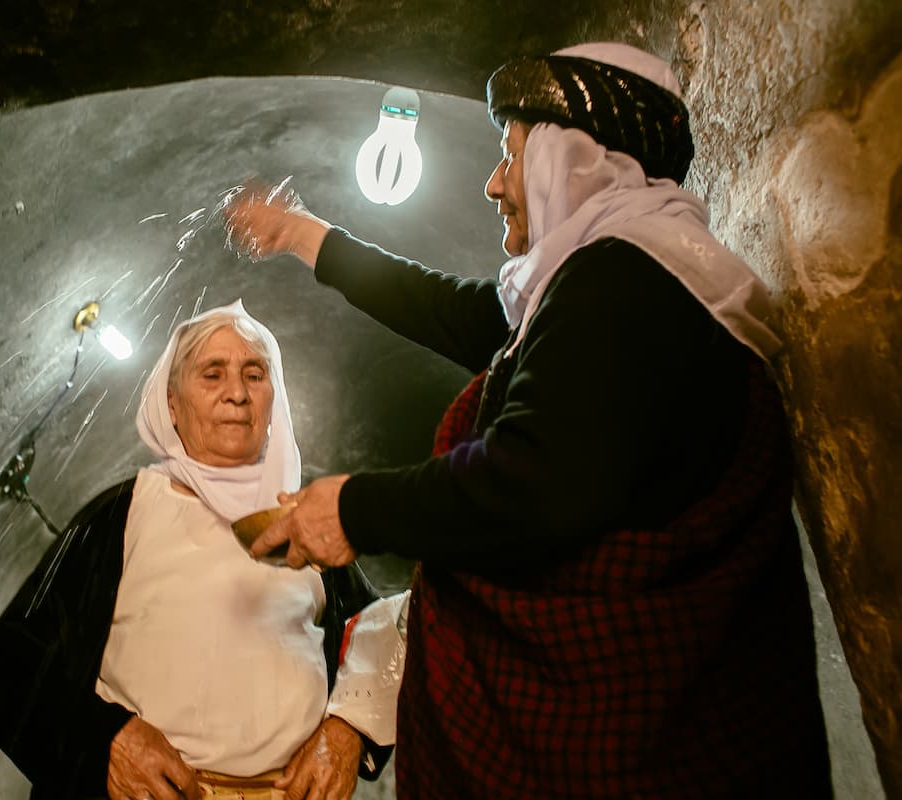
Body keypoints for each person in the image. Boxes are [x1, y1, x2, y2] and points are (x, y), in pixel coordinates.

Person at [223, 42, 832, 799]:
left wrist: (351, 508)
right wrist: (301, 233)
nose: (492, 184)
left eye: (509, 156)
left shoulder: (625, 284)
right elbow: (445, 305)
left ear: (568, 161)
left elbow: (533, 483)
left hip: (630, 758)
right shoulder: (626, 284)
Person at [0, 300, 395, 800]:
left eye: (254, 374)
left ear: (273, 398)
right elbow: (9, 659)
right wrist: (106, 738)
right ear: (173, 405)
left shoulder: (305, 517)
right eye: (212, 375)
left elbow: (380, 628)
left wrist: (348, 731)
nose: (236, 393)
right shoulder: (122, 515)